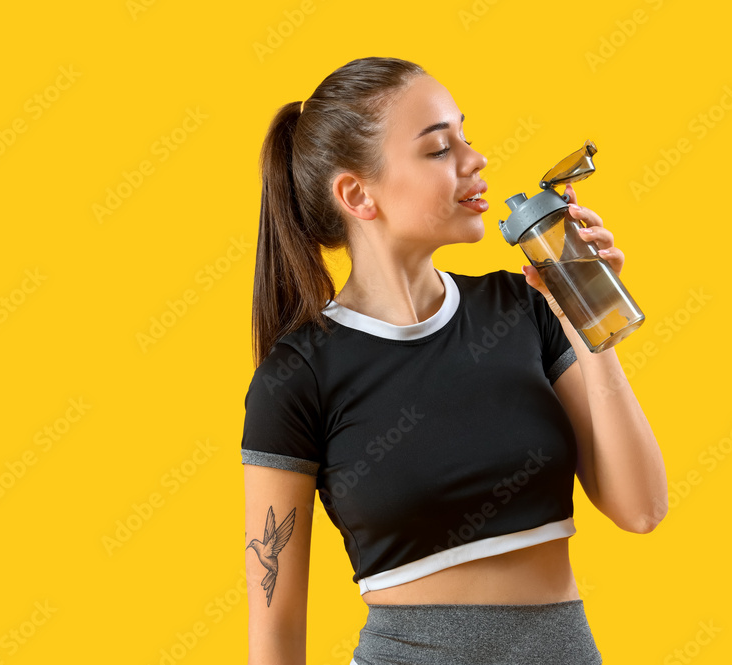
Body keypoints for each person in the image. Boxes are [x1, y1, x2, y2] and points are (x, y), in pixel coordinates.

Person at [242, 56, 668, 665]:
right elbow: (276, 636)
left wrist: (583, 312)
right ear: (357, 194)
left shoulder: (524, 309)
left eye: (465, 138)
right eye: (439, 149)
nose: (475, 160)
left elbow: (642, 507)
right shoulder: (299, 376)